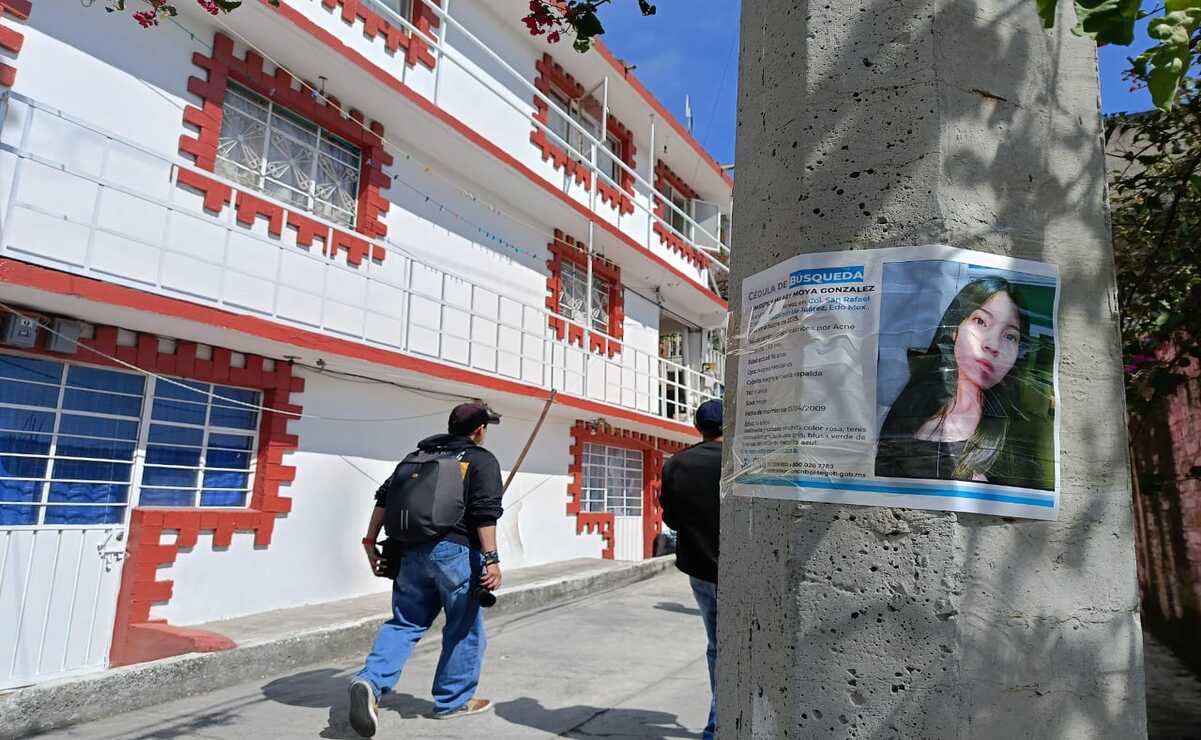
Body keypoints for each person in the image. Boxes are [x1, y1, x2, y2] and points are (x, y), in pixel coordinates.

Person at [348, 402, 504, 737]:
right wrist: (491, 559)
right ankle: (452, 702)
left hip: (409, 553)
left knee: (405, 623)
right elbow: (484, 512)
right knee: (463, 627)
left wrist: (369, 540)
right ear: (479, 430)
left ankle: (370, 681)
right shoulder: (480, 459)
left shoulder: (415, 457)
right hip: (457, 554)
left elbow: (384, 498)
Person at [875, 276, 1035, 485]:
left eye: (1010, 336)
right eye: (981, 321)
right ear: (953, 328)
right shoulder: (911, 404)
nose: (993, 344)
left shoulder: (1014, 440)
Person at [659, 398, 723, 740]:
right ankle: (720, 724)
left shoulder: (676, 464)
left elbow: (670, 518)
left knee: (716, 645)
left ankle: (720, 722)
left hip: (700, 568)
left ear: (699, 428)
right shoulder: (741, 463)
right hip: (739, 568)